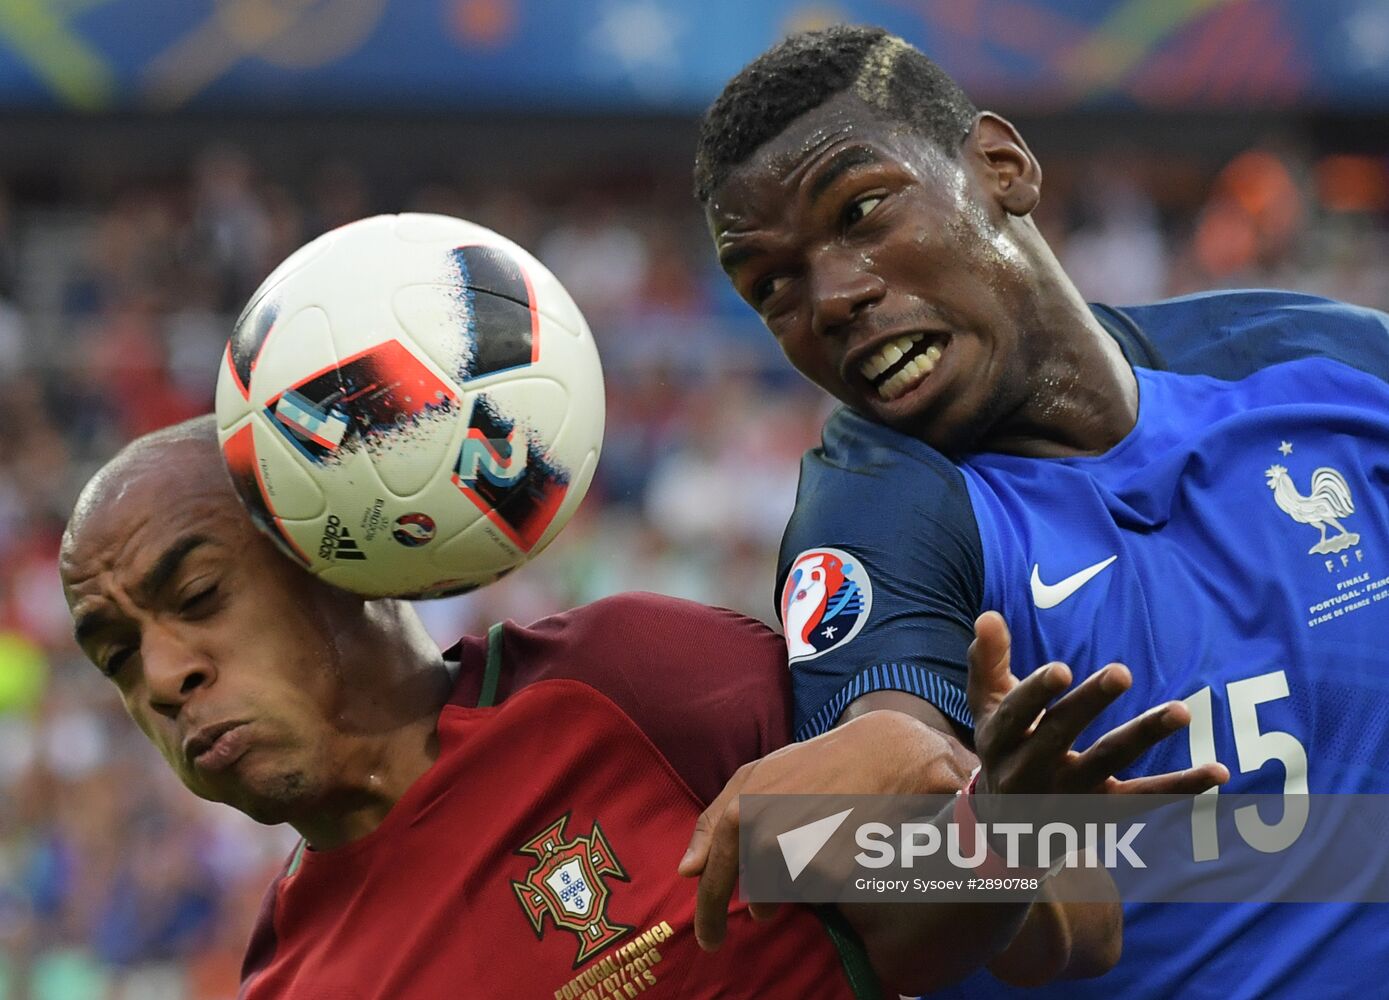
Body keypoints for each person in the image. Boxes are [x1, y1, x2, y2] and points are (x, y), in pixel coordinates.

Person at [694, 24, 1389, 1000]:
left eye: (861, 211)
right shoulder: (879, 511)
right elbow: (853, 869)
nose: (834, 296)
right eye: (773, 286)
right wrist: (1000, 832)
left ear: (1001, 167)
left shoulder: (1332, 370)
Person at [59, 416, 1217, 997]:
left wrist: (1005, 832)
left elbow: (1050, 921)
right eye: (116, 653)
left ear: (329, 552)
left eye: (196, 598)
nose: (161, 676)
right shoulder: (297, 982)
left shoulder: (632, 689)